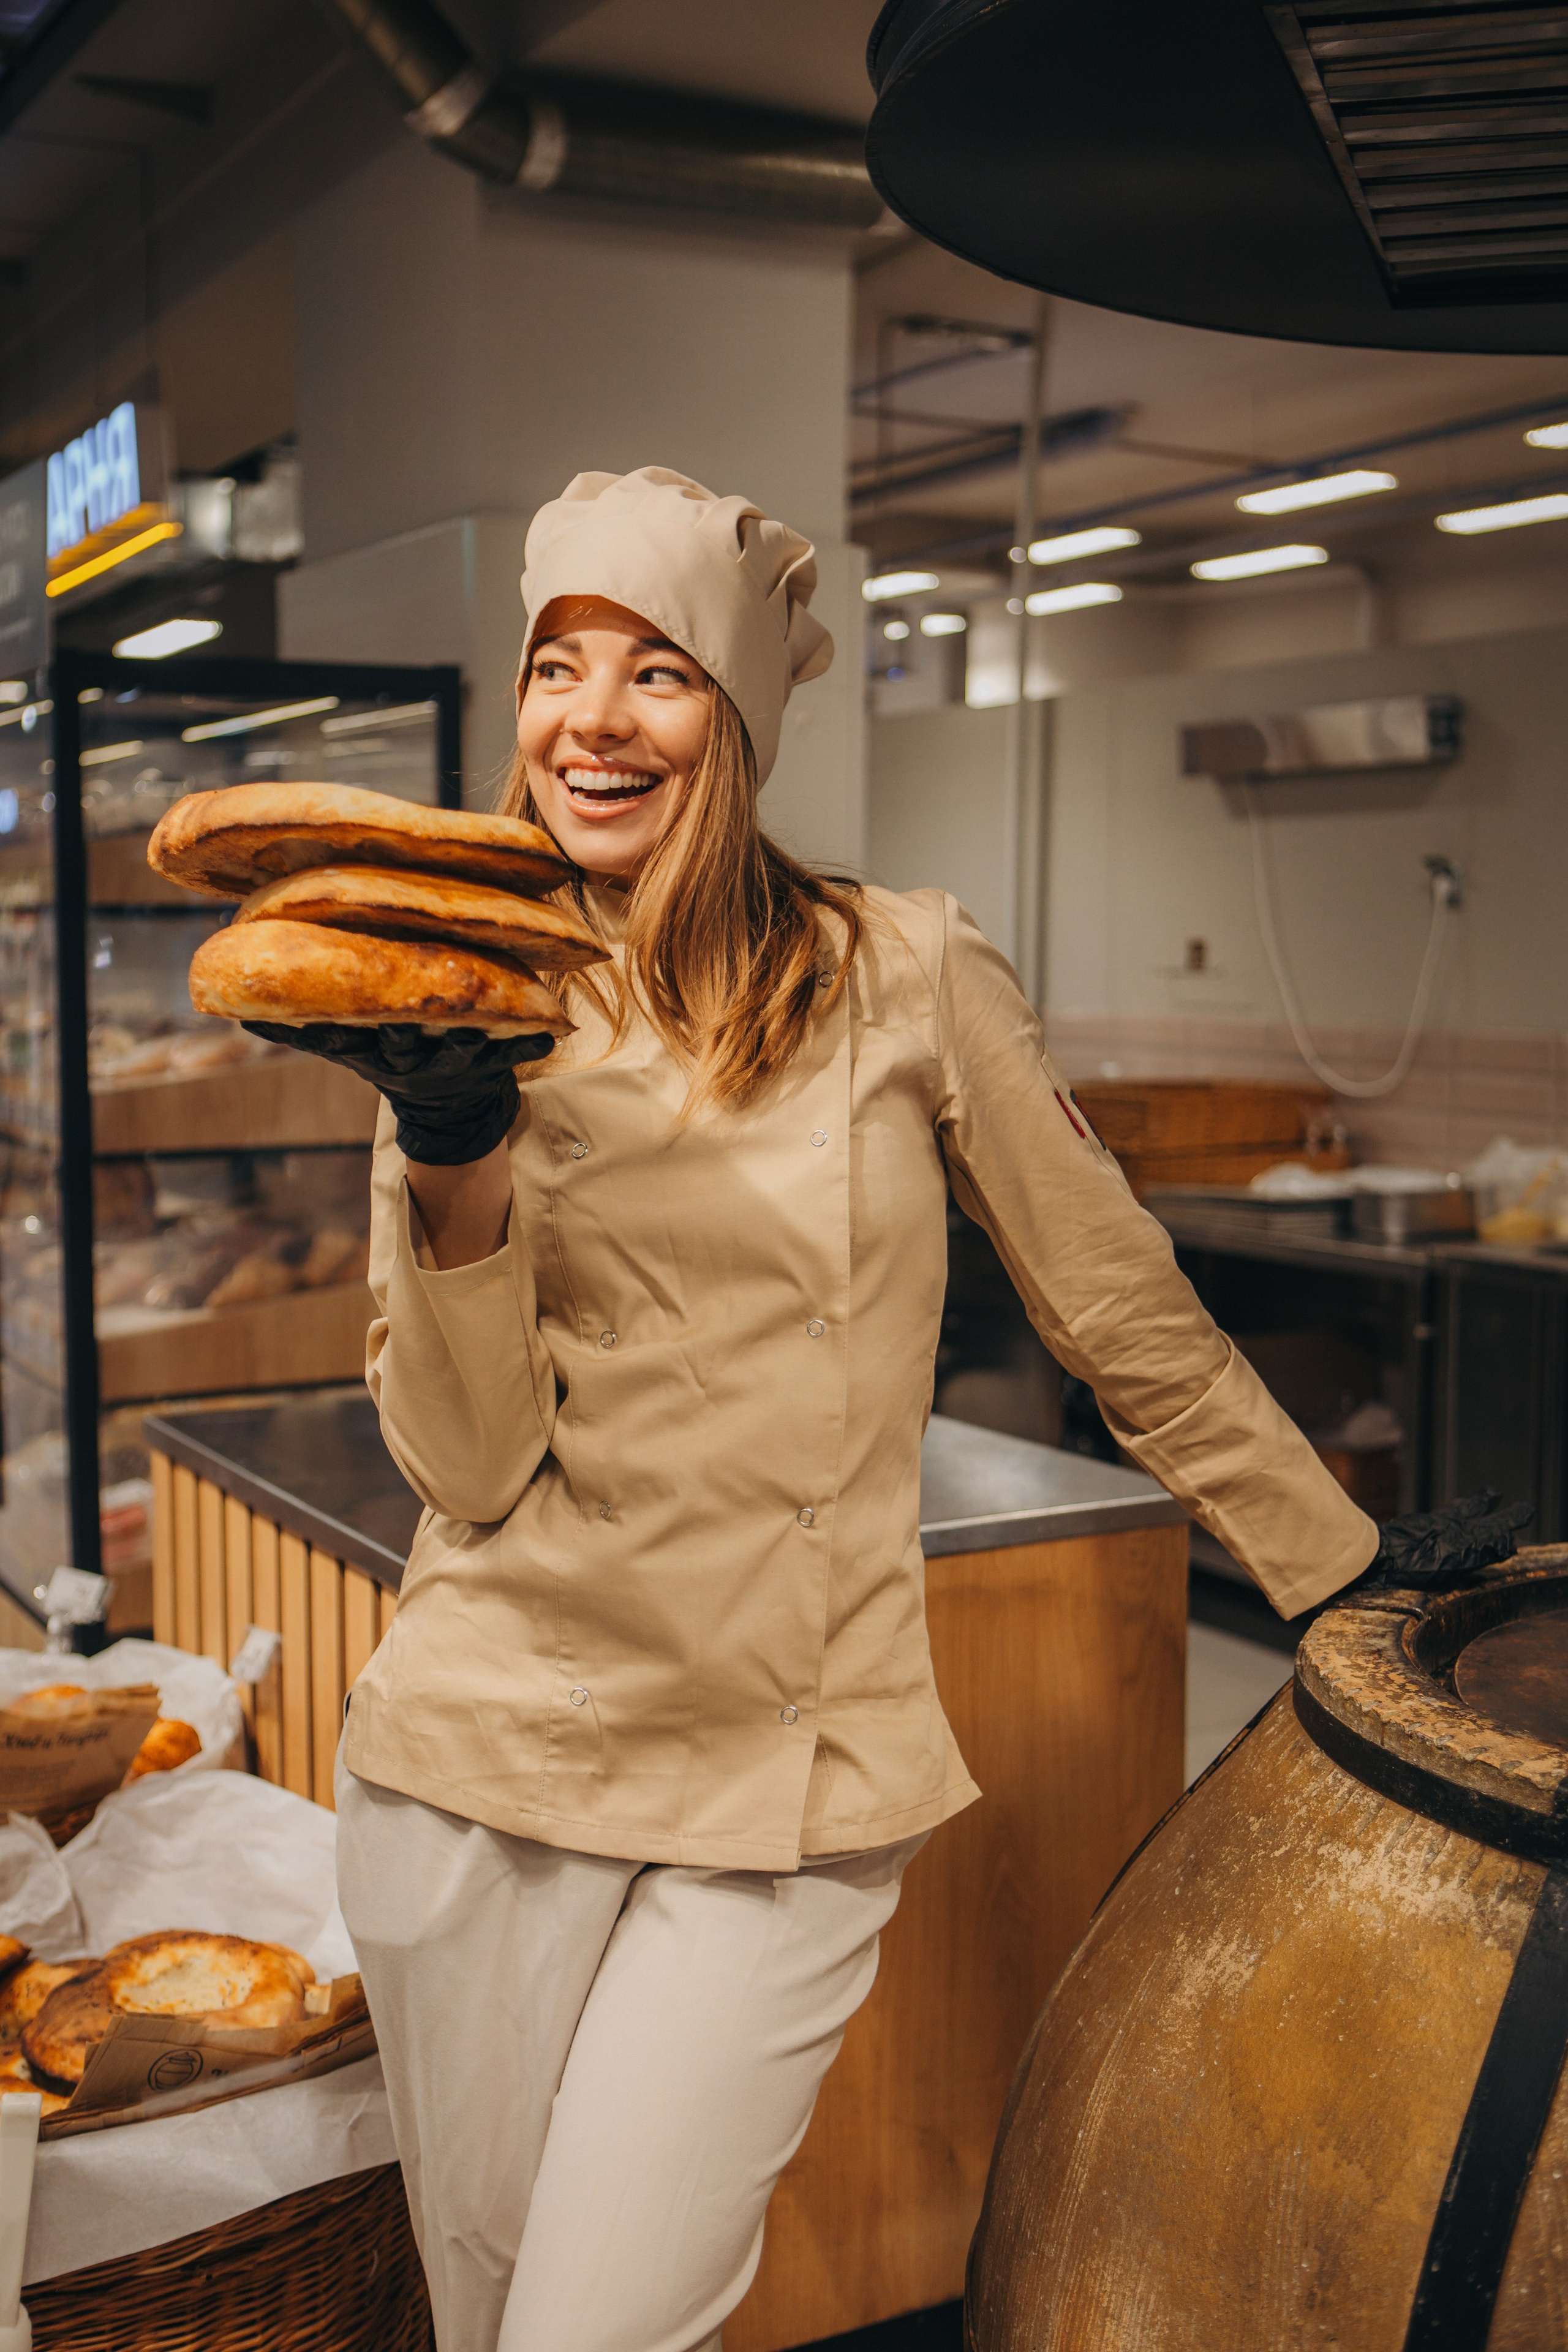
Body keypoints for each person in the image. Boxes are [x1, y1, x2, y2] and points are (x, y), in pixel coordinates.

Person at [275, 466, 1385, 2352]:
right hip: (482, 1770)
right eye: (558, 667)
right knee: (478, 2325)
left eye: (659, 672)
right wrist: (447, 1146)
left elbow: (1113, 1300)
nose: (591, 723)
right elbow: (464, 1466)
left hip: (776, 1788)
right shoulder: (466, 998)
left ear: (741, 714)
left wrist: (1328, 1560)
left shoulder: (904, 972)